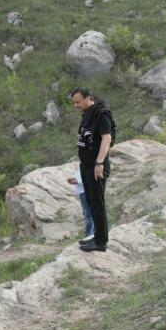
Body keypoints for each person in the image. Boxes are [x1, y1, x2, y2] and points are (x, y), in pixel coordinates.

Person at [70, 87, 112, 254]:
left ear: (88, 98)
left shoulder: (101, 113)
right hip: (86, 166)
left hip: (96, 166)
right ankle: (96, 236)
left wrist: (99, 163)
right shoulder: (88, 113)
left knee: (97, 204)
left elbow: (106, 138)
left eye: (78, 102)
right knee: (91, 203)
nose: (75, 105)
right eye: (74, 102)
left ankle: (101, 242)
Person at [65, 165, 94, 242]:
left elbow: (89, 176)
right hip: (83, 191)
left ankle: (89, 236)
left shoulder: (89, 163)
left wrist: (77, 181)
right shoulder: (83, 163)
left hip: (85, 191)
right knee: (88, 214)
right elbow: (81, 175)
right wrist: (73, 179)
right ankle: (91, 235)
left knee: (88, 215)